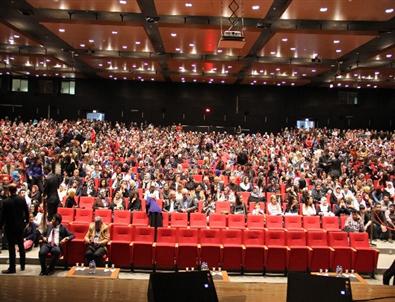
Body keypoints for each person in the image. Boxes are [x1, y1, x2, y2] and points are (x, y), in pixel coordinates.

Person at [1, 184, 29, 274]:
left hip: (9, 227)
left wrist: (1, 225)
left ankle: (12, 268)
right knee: (21, 245)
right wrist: (26, 222)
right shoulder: (22, 199)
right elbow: (27, 211)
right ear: (16, 190)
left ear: (9, 191)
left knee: (11, 247)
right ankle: (22, 265)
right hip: (20, 226)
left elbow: (3, 216)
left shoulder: (5, 201)